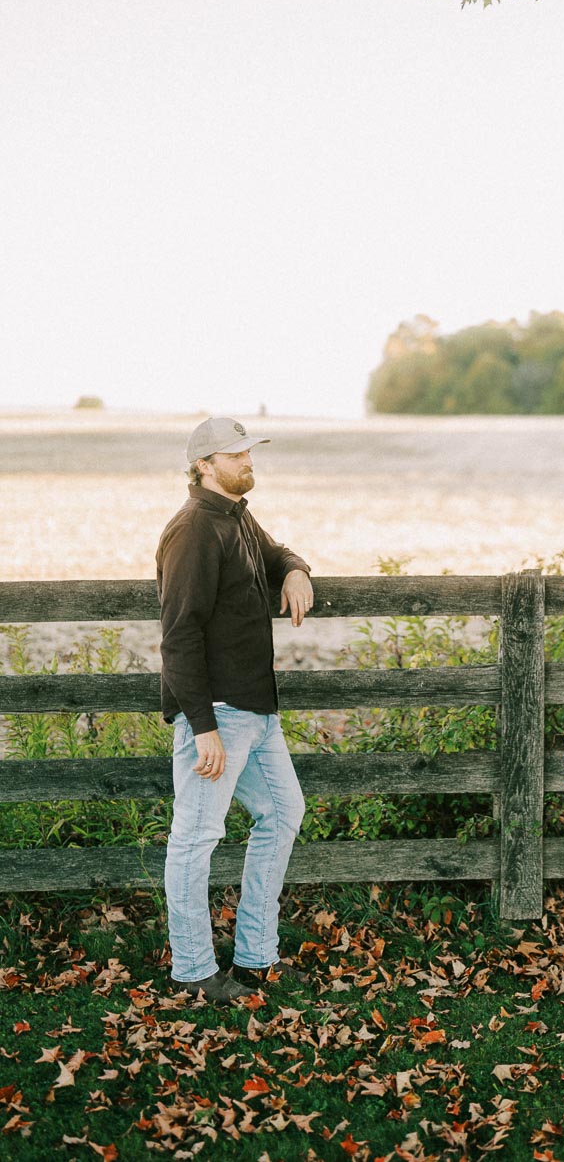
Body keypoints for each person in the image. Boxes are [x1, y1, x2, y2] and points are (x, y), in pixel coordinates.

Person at [157, 416, 314, 1005]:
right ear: (205, 464)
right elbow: (179, 635)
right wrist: (203, 728)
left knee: (283, 813)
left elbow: (277, 554)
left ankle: (254, 956)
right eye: (237, 454)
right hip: (218, 714)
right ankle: (194, 971)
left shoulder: (236, 516)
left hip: (256, 711)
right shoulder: (194, 529)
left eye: (250, 451)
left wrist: (296, 570)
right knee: (196, 837)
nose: (249, 461)